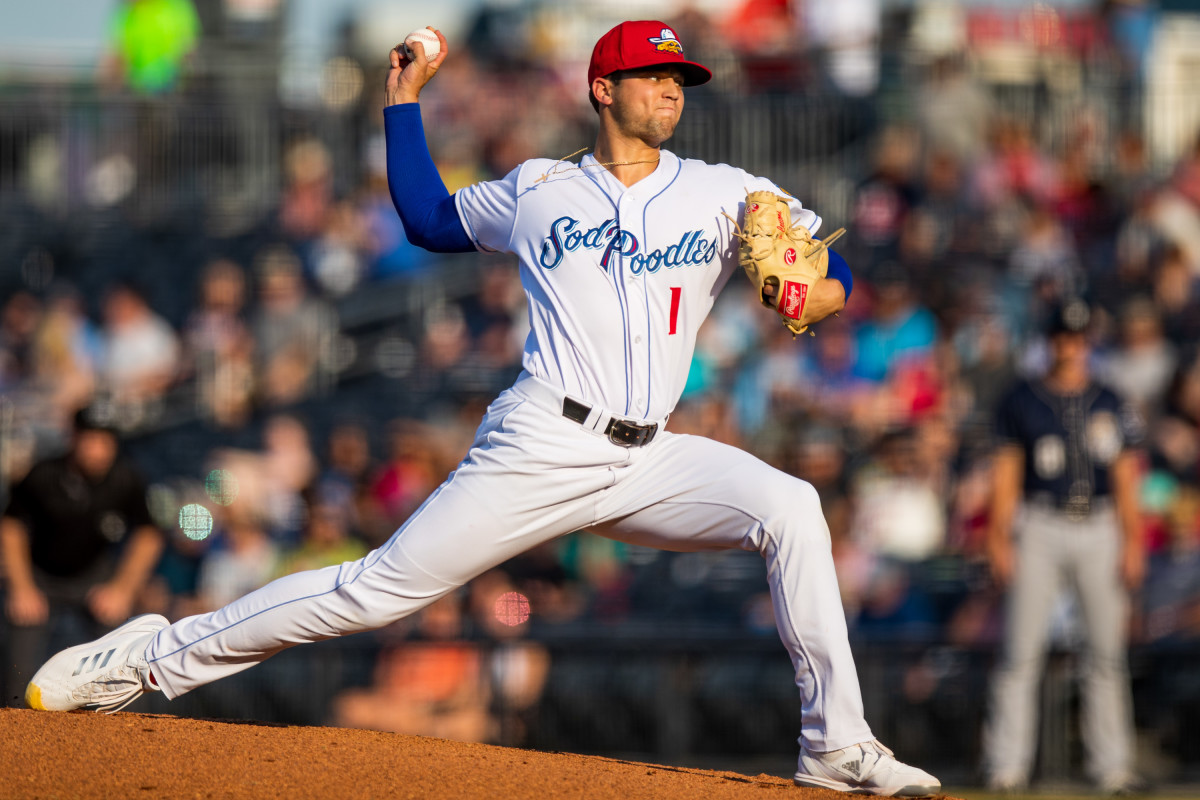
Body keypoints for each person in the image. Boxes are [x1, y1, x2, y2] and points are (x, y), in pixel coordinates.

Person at [25, 21, 939, 795]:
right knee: (373, 592)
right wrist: (401, 102)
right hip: (542, 439)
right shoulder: (537, 188)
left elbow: (827, 266)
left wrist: (827, 287)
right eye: (653, 76)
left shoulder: (727, 190)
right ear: (603, 89)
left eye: (680, 79)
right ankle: (147, 659)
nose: (672, 90)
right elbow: (426, 218)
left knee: (794, 508)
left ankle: (836, 747)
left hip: (652, 454)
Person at [982, 299, 1144, 793]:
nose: (1070, 347)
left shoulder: (1111, 399)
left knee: (1106, 654)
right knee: (1020, 653)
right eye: (1061, 337)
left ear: (1089, 341)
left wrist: (1133, 540)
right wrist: (998, 536)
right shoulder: (1022, 399)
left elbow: (1125, 475)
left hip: (1099, 524)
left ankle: (1112, 768)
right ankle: (1005, 767)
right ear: (1049, 341)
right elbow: (1006, 474)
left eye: (1078, 338)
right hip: (1040, 524)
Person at [2, 407, 163, 707]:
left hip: (94, 578)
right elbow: (11, 528)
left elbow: (148, 536)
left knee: (123, 655)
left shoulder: (125, 479)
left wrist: (122, 589)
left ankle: (120, 729)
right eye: (91, 440)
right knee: (18, 671)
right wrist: (21, 588)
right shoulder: (44, 475)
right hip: (41, 578)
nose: (98, 450)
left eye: (106, 441)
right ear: (73, 438)